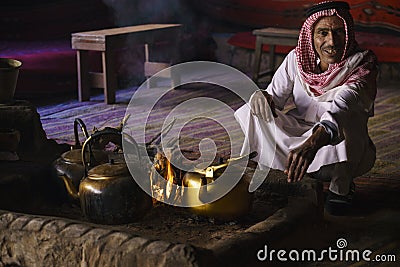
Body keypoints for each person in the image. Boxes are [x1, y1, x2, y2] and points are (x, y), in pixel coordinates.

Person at [234, 1, 378, 215]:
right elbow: (275, 97)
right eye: (323, 33)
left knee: (349, 119)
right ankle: (269, 171)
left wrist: (311, 145)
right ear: (311, 35)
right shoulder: (296, 59)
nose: (331, 41)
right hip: (299, 140)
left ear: (348, 34)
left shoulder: (362, 65)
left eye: (338, 32)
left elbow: (342, 107)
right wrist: (262, 97)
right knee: (253, 110)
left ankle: (341, 187)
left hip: (335, 146)